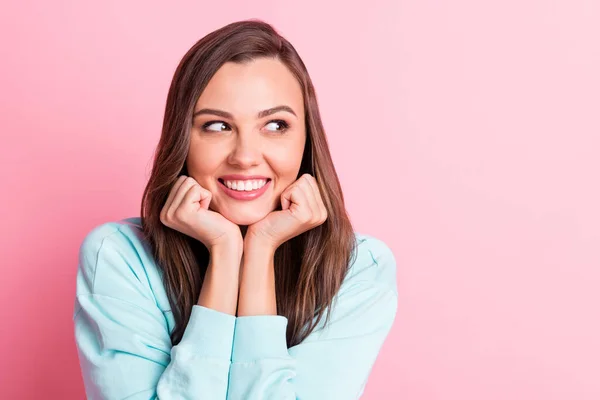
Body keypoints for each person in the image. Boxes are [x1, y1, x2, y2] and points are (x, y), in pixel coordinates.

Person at [73, 19, 398, 400]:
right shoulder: (119, 257)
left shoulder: (359, 269)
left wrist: (259, 251)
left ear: (306, 140)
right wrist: (225, 254)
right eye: (216, 126)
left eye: (276, 125)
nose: (245, 157)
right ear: (182, 139)